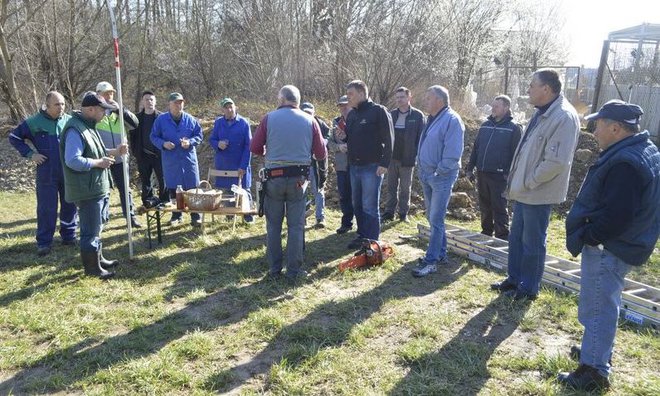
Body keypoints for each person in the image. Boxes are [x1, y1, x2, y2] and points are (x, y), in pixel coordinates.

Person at [558, 100, 659, 391]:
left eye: (598, 124)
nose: (594, 130)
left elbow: (618, 214)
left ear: (615, 128)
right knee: (601, 303)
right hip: (624, 242)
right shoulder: (641, 149)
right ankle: (595, 349)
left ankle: (593, 370)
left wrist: (592, 236)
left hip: (610, 246)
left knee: (600, 305)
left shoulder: (624, 162)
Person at [491, 68, 580, 300]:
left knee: (532, 242)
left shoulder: (563, 117)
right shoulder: (542, 112)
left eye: (532, 85)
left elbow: (556, 162)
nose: (528, 90)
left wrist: (530, 181)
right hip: (525, 191)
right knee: (517, 237)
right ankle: (514, 280)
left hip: (538, 192)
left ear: (546, 89)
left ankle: (528, 288)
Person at [250, 85, 327, 281]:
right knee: (296, 226)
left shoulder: (269, 118)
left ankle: (274, 270)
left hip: (274, 178)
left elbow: (255, 147)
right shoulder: (311, 120)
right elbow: (321, 154)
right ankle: (294, 270)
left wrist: (270, 151)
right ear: (298, 101)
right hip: (299, 180)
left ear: (282, 99)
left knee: (274, 226)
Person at [60, 92, 128, 279]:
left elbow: (95, 150)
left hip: (96, 187)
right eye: (102, 110)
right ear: (90, 109)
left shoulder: (88, 126)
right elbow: (73, 160)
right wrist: (99, 163)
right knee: (90, 230)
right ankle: (92, 269)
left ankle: (99, 259)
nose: (105, 114)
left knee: (97, 226)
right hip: (87, 189)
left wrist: (115, 151)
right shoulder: (75, 130)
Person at [9, 91, 77, 256]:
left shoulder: (69, 121)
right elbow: (14, 137)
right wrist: (31, 154)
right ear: (47, 105)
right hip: (47, 171)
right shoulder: (33, 122)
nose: (61, 107)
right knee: (47, 208)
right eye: (57, 104)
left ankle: (69, 235)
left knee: (70, 204)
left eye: (62, 104)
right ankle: (44, 242)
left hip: (68, 171)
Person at [413, 85, 464, 277]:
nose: (425, 101)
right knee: (433, 218)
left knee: (436, 219)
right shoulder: (433, 119)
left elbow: (452, 153)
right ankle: (441, 254)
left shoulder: (452, 120)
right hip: (428, 174)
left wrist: (438, 172)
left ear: (440, 101)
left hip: (440, 177)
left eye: (428, 98)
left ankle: (431, 260)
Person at [344, 80, 394, 249]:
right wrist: (342, 137)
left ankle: (372, 241)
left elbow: (389, 138)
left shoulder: (378, 111)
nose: (348, 98)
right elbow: (350, 138)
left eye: (351, 94)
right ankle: (362, 235)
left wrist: (384, 163)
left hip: (372, 166)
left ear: (361, 93)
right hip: (354, 167)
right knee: (357, 203)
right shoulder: (352, 115)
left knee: (369, 205)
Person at [465, 95, 521, 240]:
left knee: (499, 207)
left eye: (497, 106)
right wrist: (470, 168)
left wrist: (509, 174)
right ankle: (486, 233)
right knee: (485, 205)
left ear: (506, 108)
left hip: (500, 176)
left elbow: (517, 154)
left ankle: (502, 237)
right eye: (493, 105)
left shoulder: (513, 128)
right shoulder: (485, 125)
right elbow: (477, 148)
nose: (493, 108)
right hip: (482, 173)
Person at [150, 92, 203, 227]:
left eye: (180, 102)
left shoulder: (190, 119)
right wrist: (163, 144)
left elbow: (199, 135)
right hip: (171, 160)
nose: (178, 105)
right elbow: (153, 137)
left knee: (192, 188)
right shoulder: (161, 120)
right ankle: (176, 215)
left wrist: (190, 142)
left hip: (188, 159)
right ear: (169, 104)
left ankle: (195, 215)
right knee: (174, 188)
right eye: (175, 103)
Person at [95, 81, 141, 228]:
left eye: (111, 93)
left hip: (121, 158)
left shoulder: (118, 111)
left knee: (125, 189)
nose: (109, 96)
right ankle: (103, 218)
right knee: (103, 190)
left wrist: (120, 110)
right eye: (106, 93)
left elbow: (134, 124)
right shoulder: (95, 112)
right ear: (98, 95)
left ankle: (131, 217)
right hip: (103, 157)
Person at [383, 86, 426, 223]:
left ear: (409, 97)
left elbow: (421, 139)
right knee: (391, 187)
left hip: (408, 159)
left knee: (405, 189)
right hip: (392, 158)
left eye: (402, 97)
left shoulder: (418, 116)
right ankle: (389, 213)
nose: (399, 100)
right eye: (397, 97)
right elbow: (385, 136)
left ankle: (403, 214)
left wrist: (417, 156)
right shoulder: (392, 115)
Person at [209, 97, 253, 223]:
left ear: (235, 107)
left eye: (231, 107)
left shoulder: (243, 123)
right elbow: (212, 139)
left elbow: (248, 146)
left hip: (240, 162)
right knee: (228, 190)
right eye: (226, 107)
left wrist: (244, 165)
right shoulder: (218, 123)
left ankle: (248, 216)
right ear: (222, 109)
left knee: (244, 190)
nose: (229, 109)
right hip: (224, 163)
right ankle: (230, 216)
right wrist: (218, 144)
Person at [131, 90, 168, 206]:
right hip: (143, 154)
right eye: (146, 99)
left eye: (151, 99)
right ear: (142, 102)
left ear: (155, 101)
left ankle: (165, 200)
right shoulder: (136, 118)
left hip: (159, 154)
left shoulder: (162, 117)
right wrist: (136, 152)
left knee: (163, 179)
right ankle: (148, 201)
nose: (149, 102)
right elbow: (132, 137)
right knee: (145, 180)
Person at [300, 101, 330, 229]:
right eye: (305, 112)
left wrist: (321, 144)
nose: (308, 115)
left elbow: (328, 135)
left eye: (310, 113)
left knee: (318, 190)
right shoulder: (297, 124)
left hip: (317, 165)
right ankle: (302, 217)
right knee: (301, 191)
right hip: (301, 164)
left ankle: (320, 217)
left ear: (314, 113)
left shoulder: (321, 124)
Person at [327, 95, 354, 234]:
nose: (343, 108)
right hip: (342, 165)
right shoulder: (336, 122)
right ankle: (346, 223)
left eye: (346, 105)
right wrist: (339, 147)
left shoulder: (357, 120)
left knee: (357, 196)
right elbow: (329, 143)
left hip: (356, 165)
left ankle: (361, 224)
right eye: (341, 106)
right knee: (344, 195)